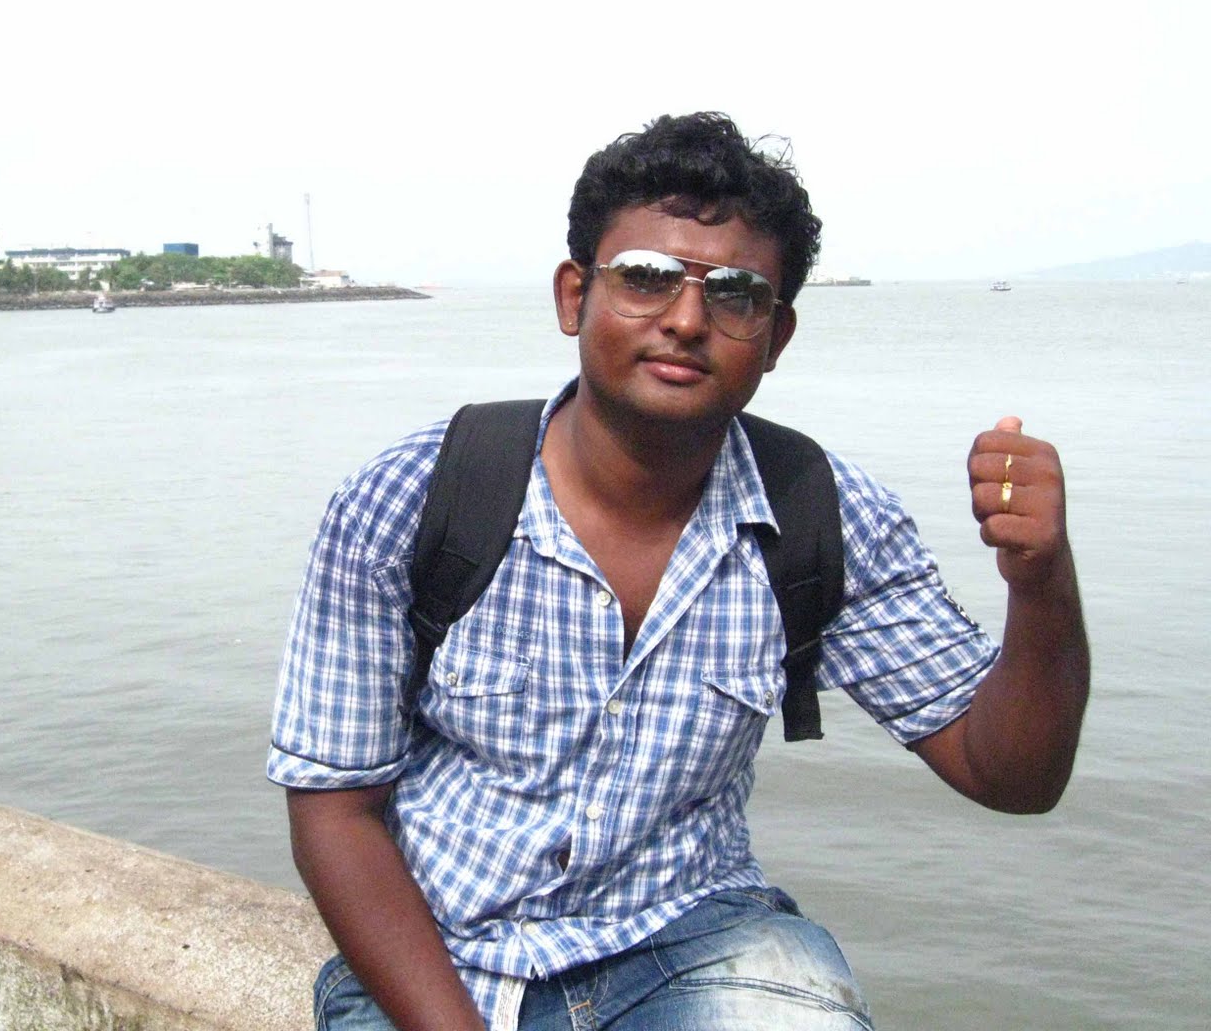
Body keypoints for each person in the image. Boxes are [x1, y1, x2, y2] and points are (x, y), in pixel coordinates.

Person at [266, 112, 1088, 1030]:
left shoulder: (822, 517)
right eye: (646, 278)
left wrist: (1041, 581)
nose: (687, 320)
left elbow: (1010, 776)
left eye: (735, 295)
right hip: (442, 954)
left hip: (689, 942)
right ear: (574, 297)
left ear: (775, 336)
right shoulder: (415, 498)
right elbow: (334, 810)